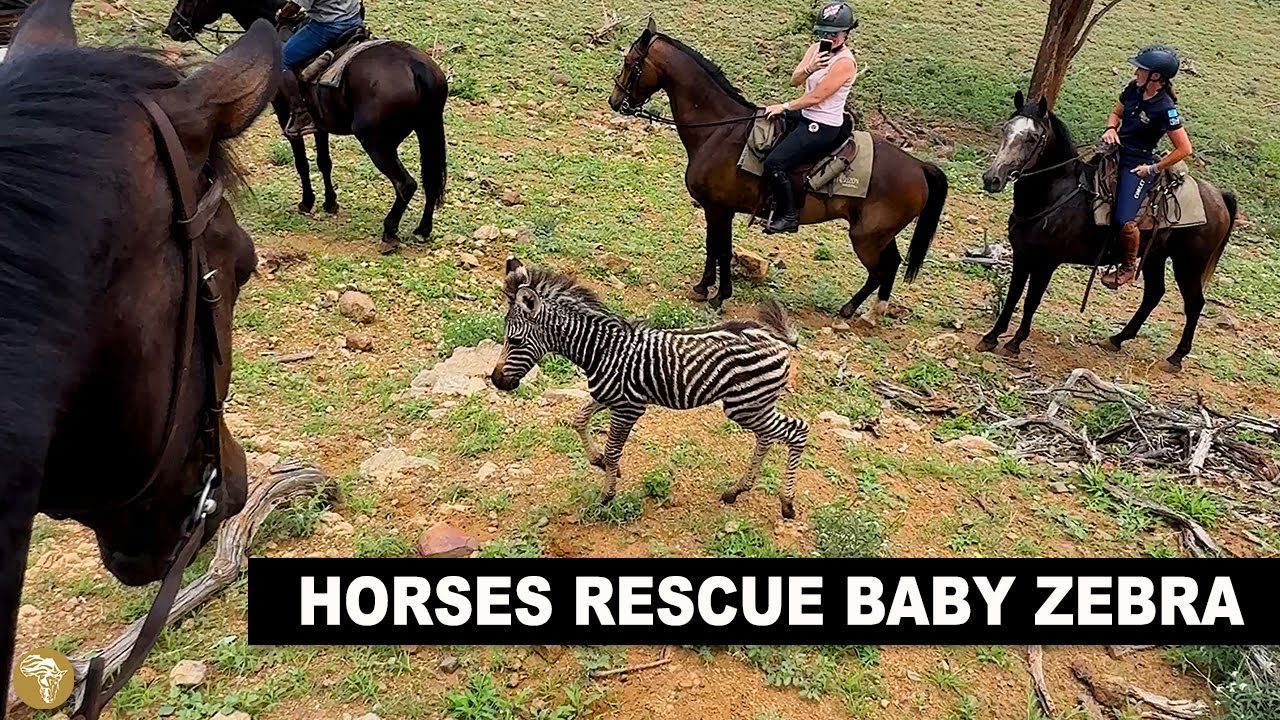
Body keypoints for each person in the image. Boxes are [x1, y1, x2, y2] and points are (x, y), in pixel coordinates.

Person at [759, 2, 859, 234]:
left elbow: (817, 97)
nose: (829, 38)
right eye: (825, 33)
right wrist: (810, 68)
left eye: (834, 34)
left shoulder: (845, 63)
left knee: (775, 163)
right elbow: (795, 80)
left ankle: (789, 215)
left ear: (846, 34)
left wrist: (784, 106)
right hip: (805, 113)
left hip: (823, 123)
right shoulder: (816, 49)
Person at [1099, 44, 1193, 289]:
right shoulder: (1133, 90)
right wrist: (1111, 129)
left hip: (1137, 165)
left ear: (1156, 77)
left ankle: (1129, 267)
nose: (1135, 73)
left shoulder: (1165, 109)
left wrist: (1152, 169)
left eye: (1141, 69)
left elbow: (1184, 149)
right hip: (1115, 152)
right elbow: (1116, 112)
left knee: (1124, 218)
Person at [275, 0, 365, 138]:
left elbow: (294, 6)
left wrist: (282, 15)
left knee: (281, 60)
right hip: (353, 17)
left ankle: (301, 114)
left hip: (329, 25)